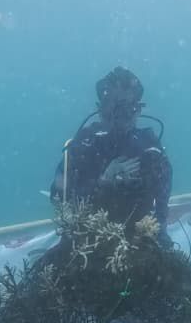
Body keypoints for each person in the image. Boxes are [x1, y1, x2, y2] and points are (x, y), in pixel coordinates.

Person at [50, 66, 173, 240]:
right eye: (114, 109)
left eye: (128, 109)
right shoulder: (84, 145)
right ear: (100, 109)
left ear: (138, 109)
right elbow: (58, 197)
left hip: (142, 243)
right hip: (86, 241)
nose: (121, 118)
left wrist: (142, 180)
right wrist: (103, 182)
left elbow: (161, 206)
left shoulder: (150, 148)